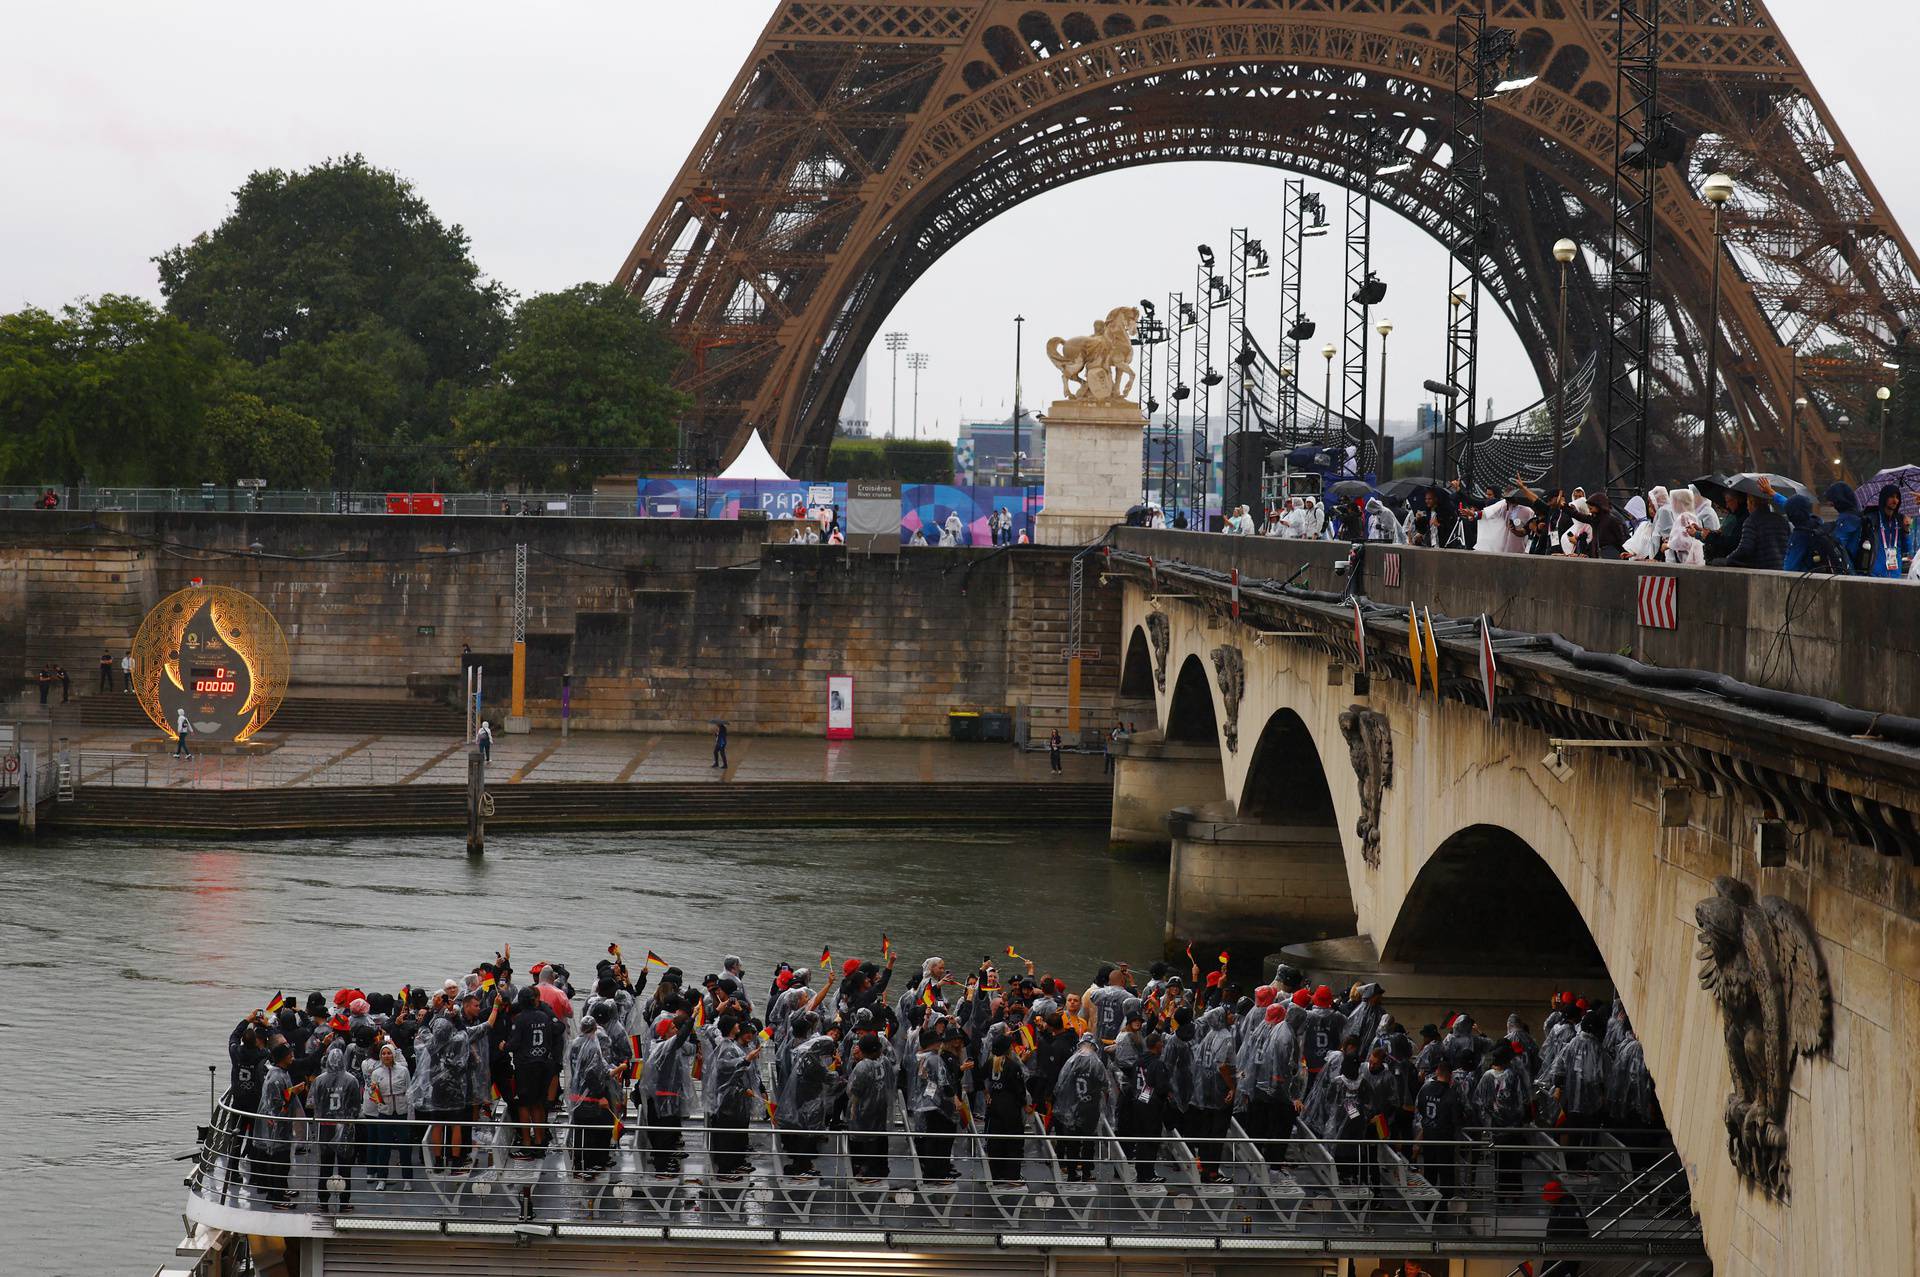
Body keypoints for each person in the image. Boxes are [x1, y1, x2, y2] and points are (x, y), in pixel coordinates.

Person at [311, 1047, 365, 1213]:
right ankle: (343, 1202)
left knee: (325, 1167)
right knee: (344, 1168)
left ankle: (323, 1201)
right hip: (345, 1129)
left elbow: (313, 1104)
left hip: (325, 1128)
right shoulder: (351, 1080)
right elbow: (356, 1107)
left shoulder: (319, 1080)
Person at [363, 1039, 413, 1186]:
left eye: (389, 1053)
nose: (386, 1056)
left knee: (405, 1147)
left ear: (393, 1054)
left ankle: (407, 1179)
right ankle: (382, 1178)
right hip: (384, 1112)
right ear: (380, 1056)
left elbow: (409, 1091)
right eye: (383, 1053)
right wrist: (374, 1091)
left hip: (402, 1111)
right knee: (384, 1146)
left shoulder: (403, 1071)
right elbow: (373, 1096)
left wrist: (410, 1115)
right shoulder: (376, 1073)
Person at [1717, 478, 1789, 570]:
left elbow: (1745, 549)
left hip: (1763, 571)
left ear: (1752, 503)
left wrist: (1727, 560)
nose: (1747, 506)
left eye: (1748, 502)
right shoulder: (1781, 520)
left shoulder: (1751, 521)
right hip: (1782, 570)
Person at [1861, 484, 1913, 578]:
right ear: (1884, 498)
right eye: (1892, 497)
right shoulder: (1872, 519)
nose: (1895, 500)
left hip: (1895, 575)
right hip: (1875, 575)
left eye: (1897, 497)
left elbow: (1907, 549)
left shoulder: (1900, 520)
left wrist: (1906, 529)